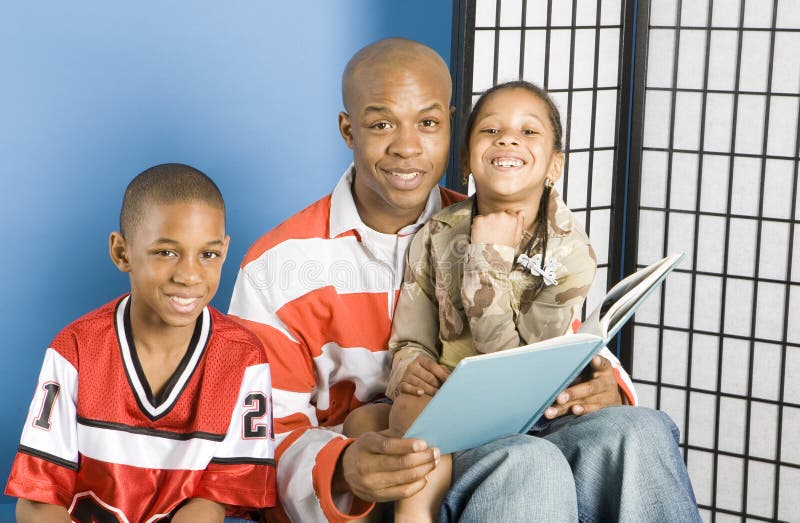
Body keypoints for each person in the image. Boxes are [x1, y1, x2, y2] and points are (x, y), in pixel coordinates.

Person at [229, 38, 697, 522]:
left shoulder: (497, 221)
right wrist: (344, 468)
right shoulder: (278, 266)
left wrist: (606, 385)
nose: (407, 146)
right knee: (524, 461)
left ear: (453, 127)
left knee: (639, 430)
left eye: (428, 123)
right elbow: (252, 445)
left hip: (516, 425)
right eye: (381, 123)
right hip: (388, 481)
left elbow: (555, 339)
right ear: (349, 129)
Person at [367, 79, 687, 522]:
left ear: (554, 165)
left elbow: (519, 371)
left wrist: (488, 261)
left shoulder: (571, 251)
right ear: (465, 160)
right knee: (523, 458)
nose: (508, 139)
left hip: (541, 412)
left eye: (529, 132)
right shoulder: (438, 235)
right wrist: (410, 366)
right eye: (491, 130)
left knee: (644, 429)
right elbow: (411, 337)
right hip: (459, 417)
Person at [6, 164, 276, 522]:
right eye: (167, 252)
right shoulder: (76, 349)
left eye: (207, 255)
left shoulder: (242, 358)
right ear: (122, 253)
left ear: (224, 252)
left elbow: (216, 498)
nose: (189, 275)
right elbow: (38, 500)